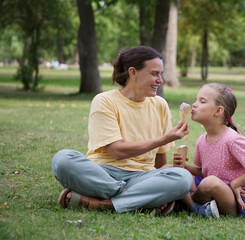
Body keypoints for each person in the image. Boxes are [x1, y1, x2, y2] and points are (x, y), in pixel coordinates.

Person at [52, 46, 193, 215]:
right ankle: (138, 201)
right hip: (103, 173)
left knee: (182, 178)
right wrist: (163, 139)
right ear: (133, 73)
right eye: (155, 73)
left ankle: (102, 203)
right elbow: (117, 151)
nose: (160, 80)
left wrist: (168, 170)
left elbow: (159, 162)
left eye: (161, 74)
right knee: (62, 159)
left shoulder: (160, 105)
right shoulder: (104, 101)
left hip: (141, 177)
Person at [173, 83, 245, 218]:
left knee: (210, 182)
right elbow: (203, 172)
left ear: (219, 111)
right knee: (169, 170)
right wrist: (183, 166)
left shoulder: (232, 139)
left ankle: (189, 204)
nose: (194, 104)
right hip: (207, 190)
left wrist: (236, 183)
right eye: (196, 100)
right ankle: (198, 206)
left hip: (234, 199)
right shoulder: (202, 139)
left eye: (202, 101)